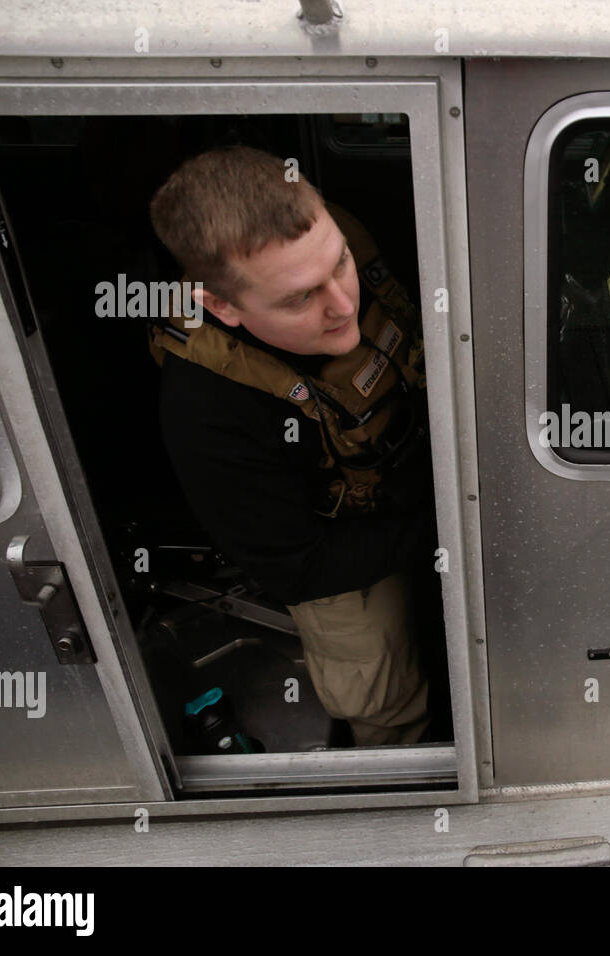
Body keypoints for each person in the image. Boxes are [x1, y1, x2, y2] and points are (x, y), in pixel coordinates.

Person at [146, 145, 436, 747]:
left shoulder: (331, 234)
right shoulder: (206, 405)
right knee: (380, 694)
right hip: (338, 548)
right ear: (221, 305)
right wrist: (451, 520)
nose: (342, 304)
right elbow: (297, 567)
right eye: (299, 298)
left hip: (420, 470)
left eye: (341, 265)